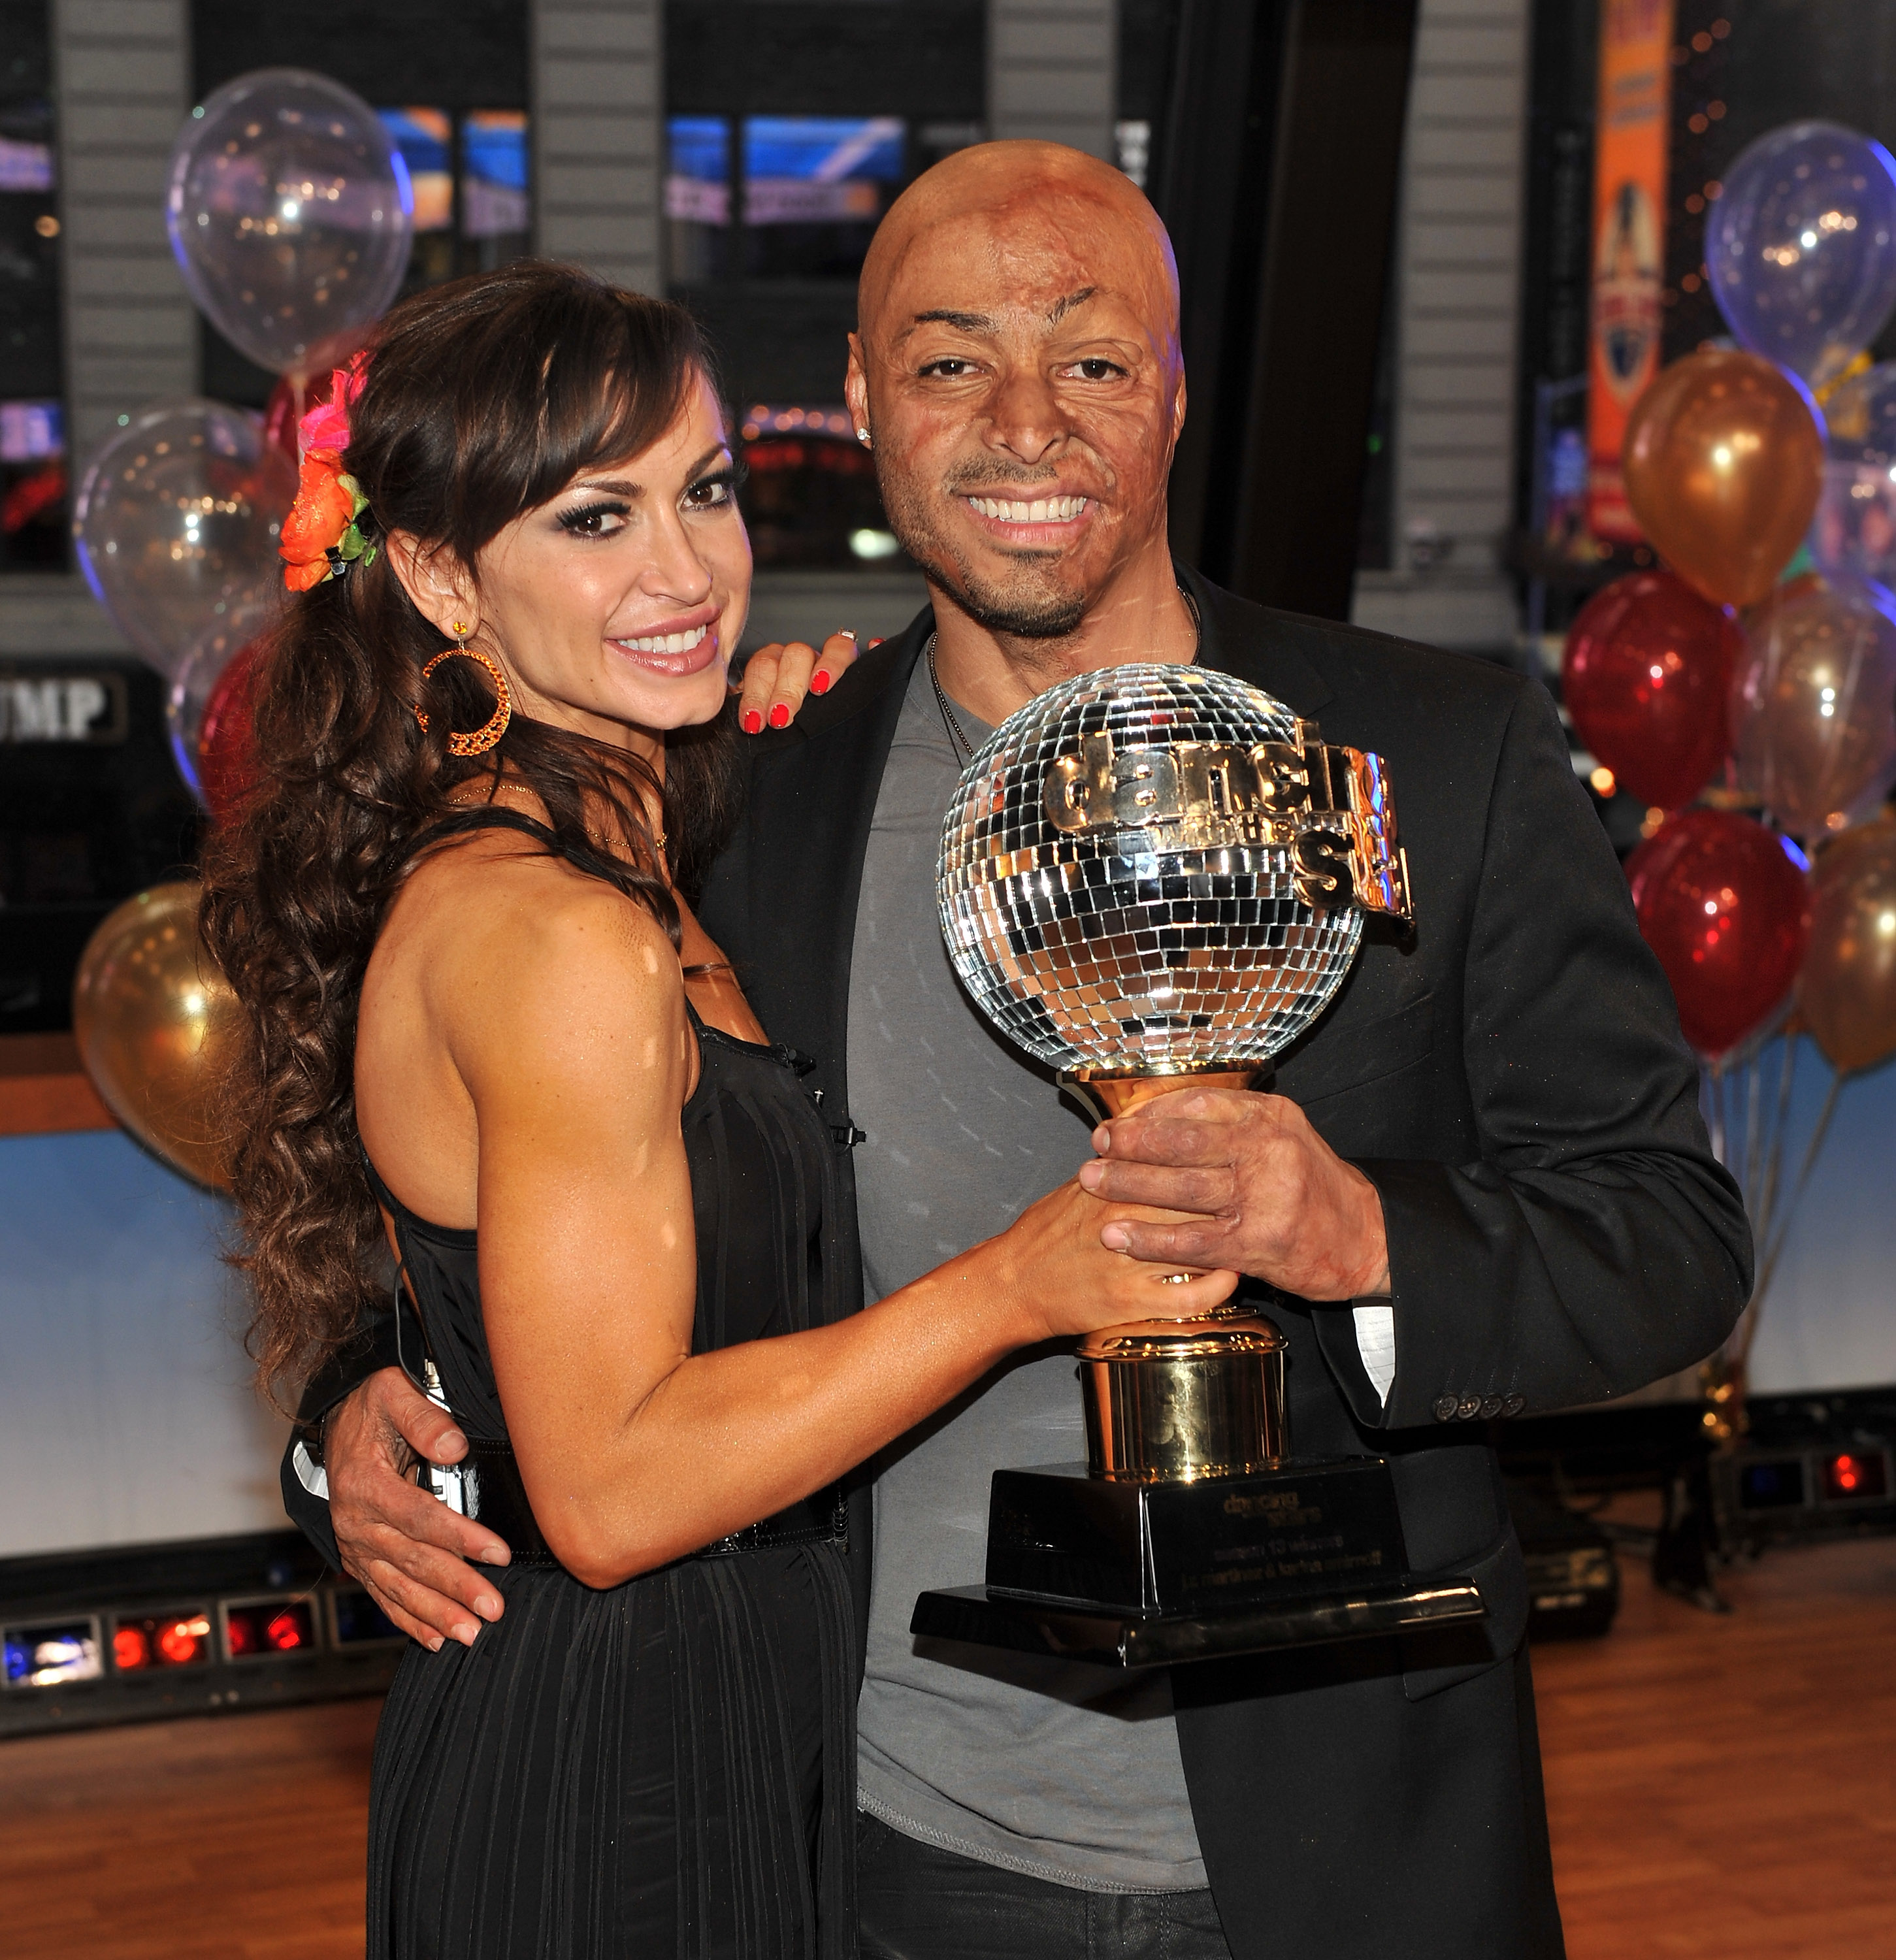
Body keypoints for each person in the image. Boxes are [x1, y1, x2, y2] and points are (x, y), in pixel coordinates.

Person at [293, 148, 1752, 1960]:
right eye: (950, 359)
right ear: (860, 401)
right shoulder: (744, 803)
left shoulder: (1430, 757)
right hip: (880, 1846)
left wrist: (1360, 1237)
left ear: (1176, 394)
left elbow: (1673, 1242)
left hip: (1348, 1856)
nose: (1024, 424)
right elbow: (524, 1203)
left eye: (1093, 360)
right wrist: (364, 1426)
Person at [200, 260, 1235, 1959]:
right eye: (595, 522)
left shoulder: (652, 858)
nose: (686, 571)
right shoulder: (555, 931)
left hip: (753, 1720)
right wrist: (1019, 1288)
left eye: (705, 492)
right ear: (444, 577)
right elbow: (603, 1493)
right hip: (617, 1772)